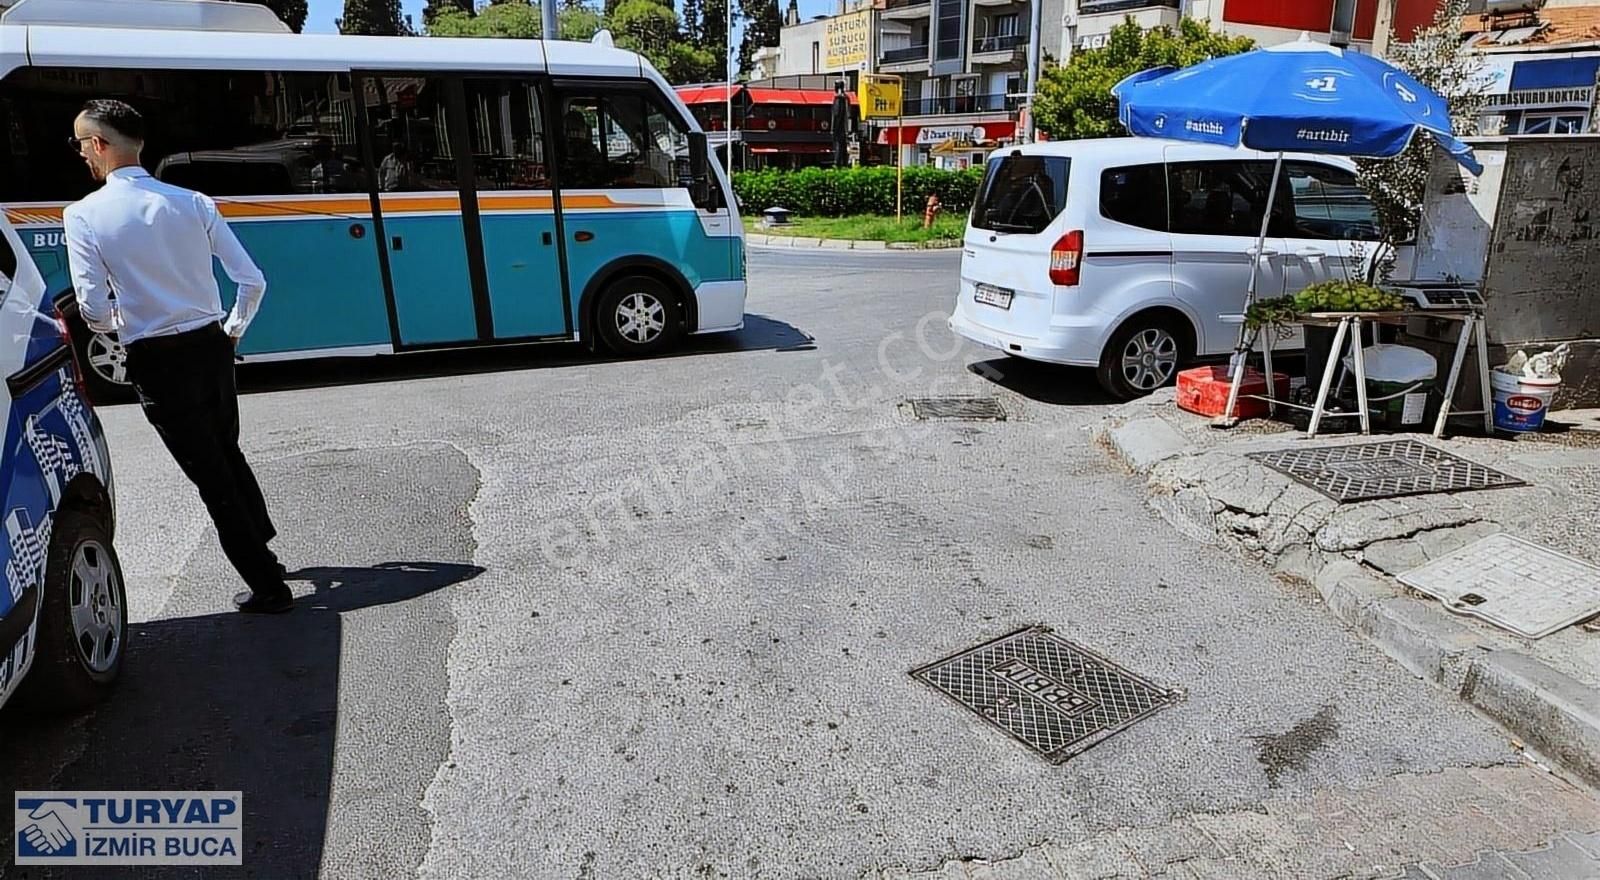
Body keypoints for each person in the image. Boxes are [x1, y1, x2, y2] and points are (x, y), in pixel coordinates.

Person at [62, 99, 294, 614]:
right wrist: (231, 329)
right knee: (225, 450)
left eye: (81, 144)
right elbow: (252, 280)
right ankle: (265, 552)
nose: (81, 154)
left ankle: (268, 586)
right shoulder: (192, 202)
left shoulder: (83, 216)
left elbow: (93, 309)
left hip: (157, 358)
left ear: (99, 145)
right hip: (211, 346)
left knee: (209, 472)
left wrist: (124, 321)